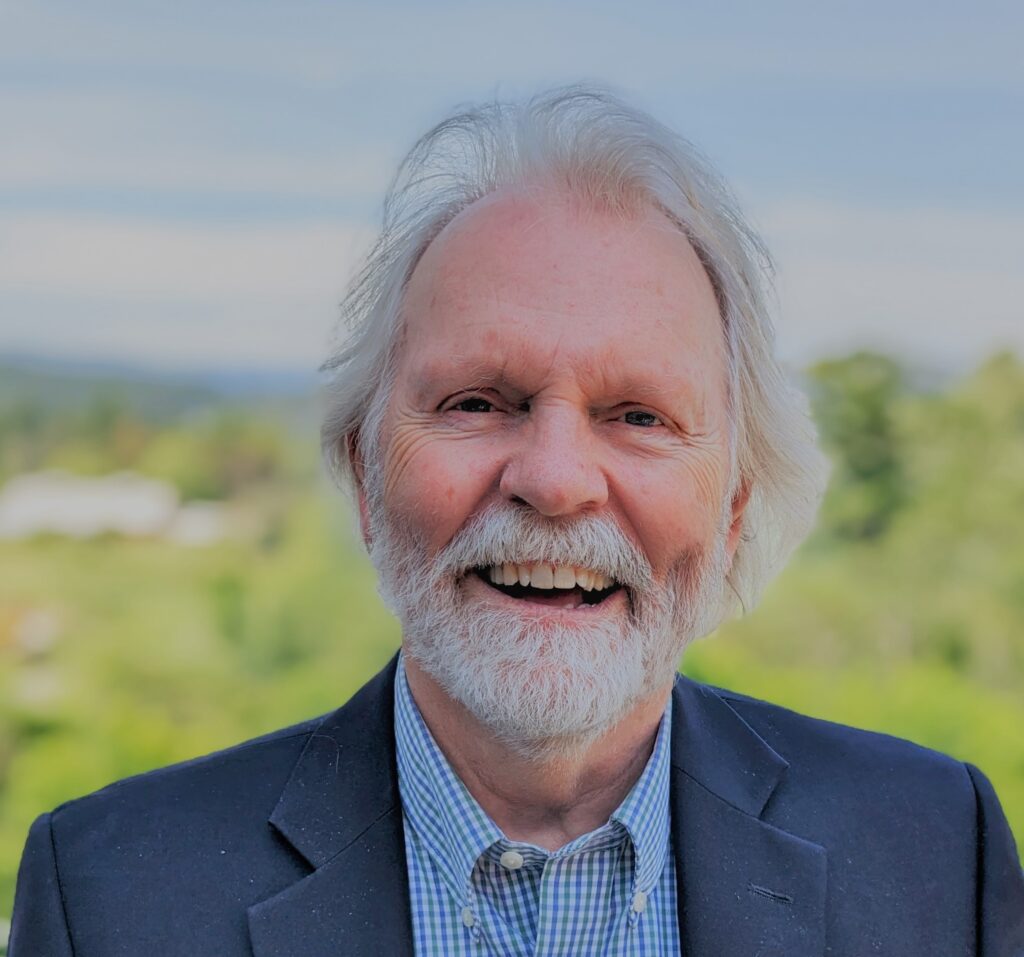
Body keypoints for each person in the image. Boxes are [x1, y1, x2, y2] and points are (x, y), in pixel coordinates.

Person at [10, 85, 1024, 956]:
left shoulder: (938, 852)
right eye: (477, 402)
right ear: (364, 475)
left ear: (734, 508)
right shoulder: (109, 900)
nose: (554, 479)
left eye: (639, 416)